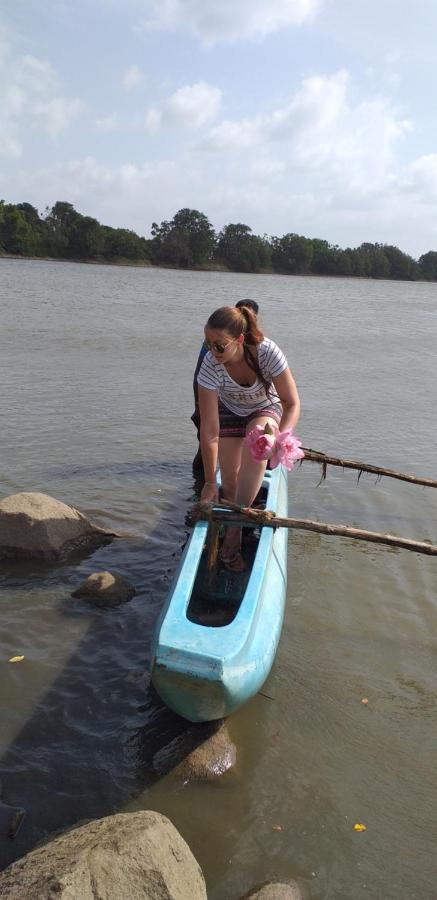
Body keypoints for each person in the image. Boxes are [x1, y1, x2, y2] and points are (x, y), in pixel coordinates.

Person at [197, 304, 300, 571]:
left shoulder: (267, 352)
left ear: (240, 339)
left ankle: (233, 538)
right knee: (228, 486)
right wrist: (210, 482)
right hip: (230, 408)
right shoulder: (210, 365)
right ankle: (229, 521)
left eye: (220, 345)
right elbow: (209, 430)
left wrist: (281, 439)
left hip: (265, 407)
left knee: (258, 440)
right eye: (208, 344)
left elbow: (291, 402)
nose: (213, 351)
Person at [191, 300, 259, 476]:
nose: (213, 350)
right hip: (216, 404)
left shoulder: (258, 347)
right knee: (204, 449)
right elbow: (200, 376)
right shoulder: (215, 345)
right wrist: (199, 407)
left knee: (250, 449)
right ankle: (202, 485)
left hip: (253, 408)